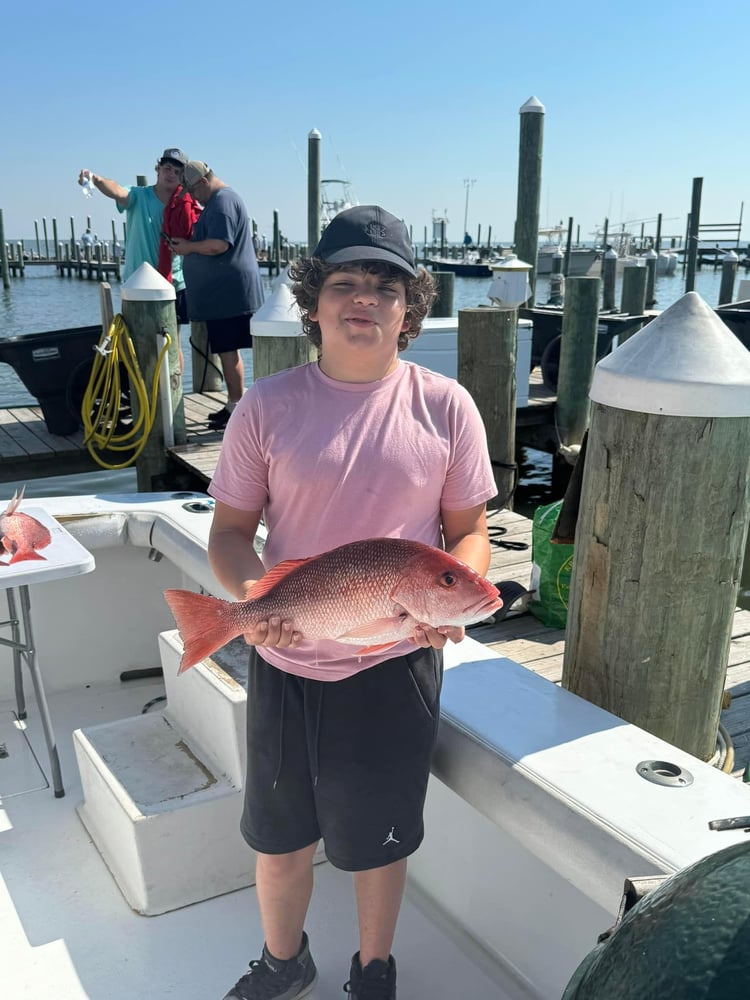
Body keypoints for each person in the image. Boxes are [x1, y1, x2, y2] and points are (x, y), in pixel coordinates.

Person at [206, 205, 496, 999]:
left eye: (384, 285)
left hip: (393, 661)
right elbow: (230, 533)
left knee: (379, 842)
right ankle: (282, 960)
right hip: (286, 659)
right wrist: (252, 601)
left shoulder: (446, 407)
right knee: (278, 836)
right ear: (312, 300)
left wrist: (447, 604)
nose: (362, 298)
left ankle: (373, 967)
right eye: (344, 282)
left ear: (411, 309)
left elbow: (471, 535)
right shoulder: (266, 406)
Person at [78, 148, 199, 370]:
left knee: (173, 344)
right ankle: (143, 397)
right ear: (158, 170)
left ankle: (174, 396)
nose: (170, 174)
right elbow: (116, 191)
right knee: (137, 344)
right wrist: (95, 179)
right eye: (166, 168)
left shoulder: (186, 202)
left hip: (174, 283)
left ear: (183, 176)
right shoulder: (138, 195)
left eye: (176, 170)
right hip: (137, 284)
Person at [171, 161, 264, 429]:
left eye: (192, 191)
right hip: (222, 295)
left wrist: (188, 247)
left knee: (230, 349)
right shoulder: (220, 201)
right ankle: (235, 405)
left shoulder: (223, 202)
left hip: (230, 295)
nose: (191, 197)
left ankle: (242, 408)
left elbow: (219, 245)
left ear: (202, 182)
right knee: (226, 350)